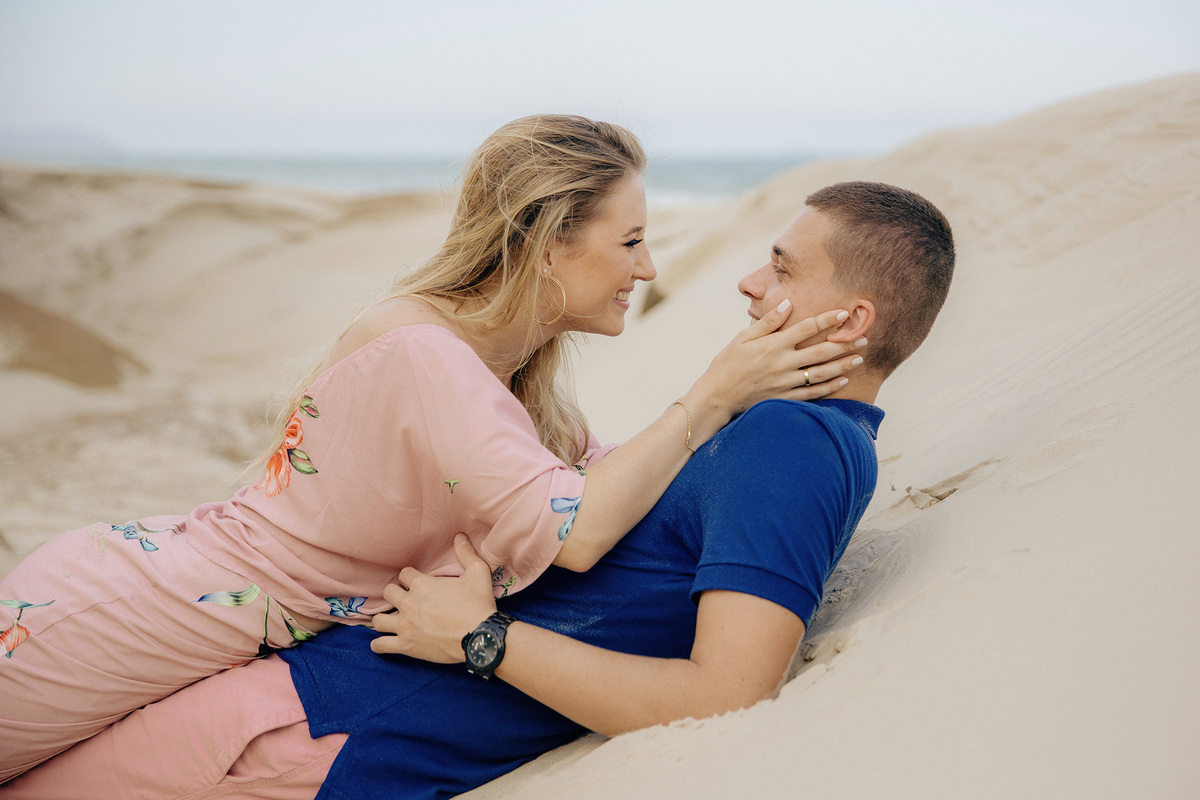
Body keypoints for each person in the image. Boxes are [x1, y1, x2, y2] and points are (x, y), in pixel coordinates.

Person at [1, 180, 955, 800]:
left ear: (851, 317)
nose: (747, 283)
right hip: (302, 696)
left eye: (782, 267)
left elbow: (730, 694)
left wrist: (483, 639)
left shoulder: (794, 438)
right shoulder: (769, 425)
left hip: (319, 731)